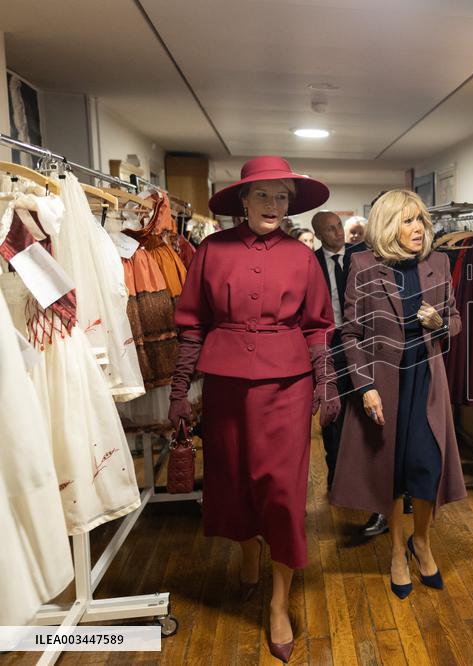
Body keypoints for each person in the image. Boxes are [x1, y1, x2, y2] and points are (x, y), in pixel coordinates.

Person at [169, 156, 339, 663]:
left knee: (283, 491)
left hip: (287, 385)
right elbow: (192, 323)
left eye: (282, 197)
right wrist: (180, 390)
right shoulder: (212, 249)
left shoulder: (302, 257)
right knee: (233, 480)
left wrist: (326, 385)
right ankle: (248, 551)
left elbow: (318, 326)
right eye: (263, 195)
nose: (273, 205)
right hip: (224, 385)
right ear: (242, 200)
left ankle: (280, 601)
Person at [330, 189, 467, 599]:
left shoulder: (438, 262)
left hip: (426, 378)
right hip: (384, 381)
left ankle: (420, 541)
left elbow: (456, 320)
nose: (418, 228)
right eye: (408, 220)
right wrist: (365, 387)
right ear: (389, 225)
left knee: (427, 463)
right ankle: (395, 551)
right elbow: (350, 333)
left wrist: (441, 323)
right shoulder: (362, 264)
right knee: (390, 468)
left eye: (421, 219)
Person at [310, 210, 387, 537]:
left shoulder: (363, 256)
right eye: (329, 229)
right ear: (318, 234)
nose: (337, 232)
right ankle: (336, 475)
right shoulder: (311, 263)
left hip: (364, 346)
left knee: (367, 411)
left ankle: (371, 481)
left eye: (338, 226)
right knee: (333, 414)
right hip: (329, 347)